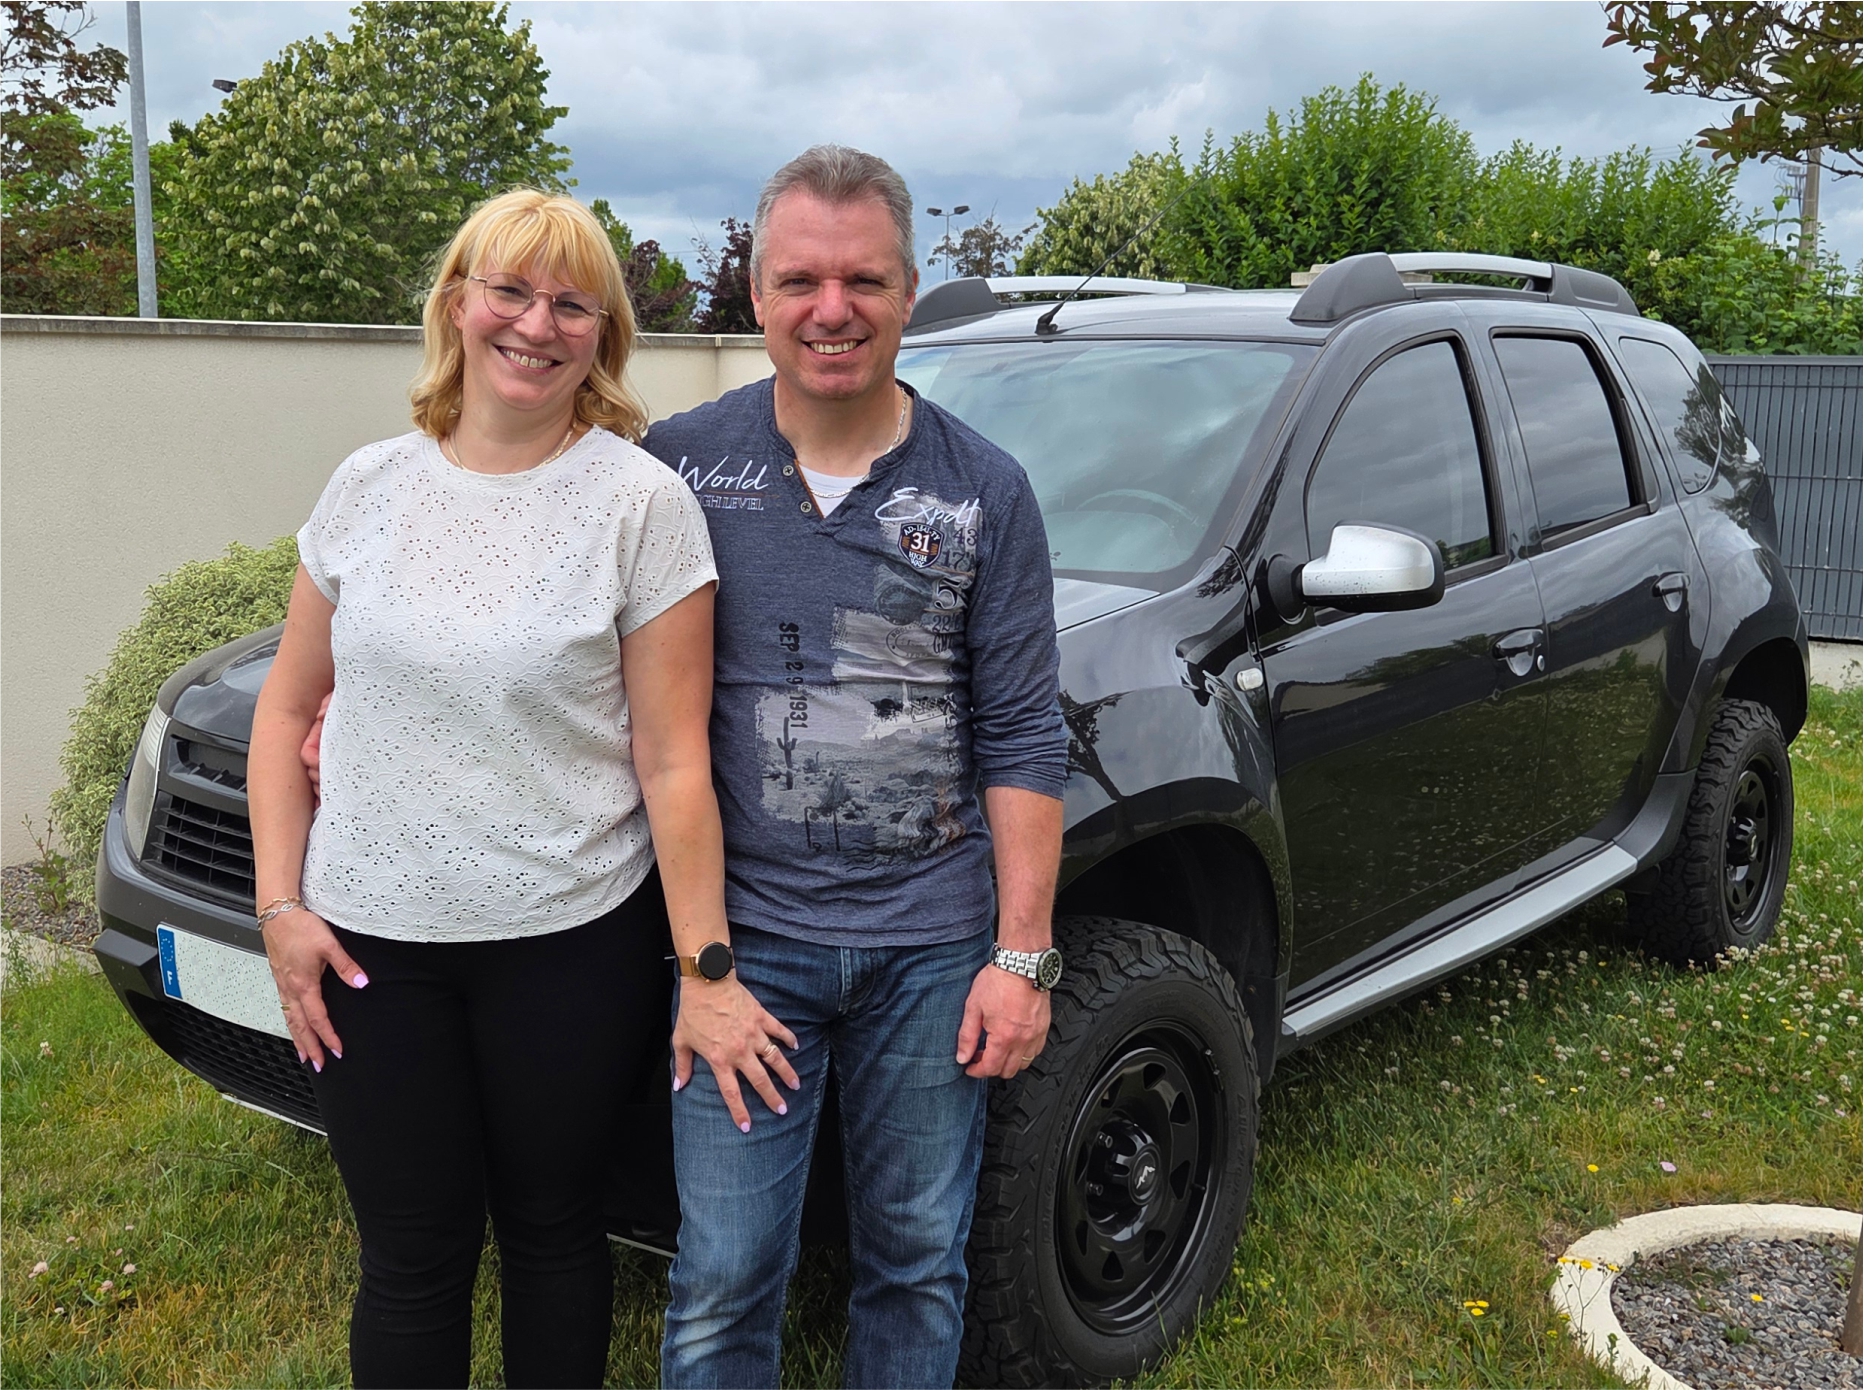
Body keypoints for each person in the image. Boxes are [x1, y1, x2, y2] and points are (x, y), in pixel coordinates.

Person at [247, 188, 791, 1389]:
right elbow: (286, 711)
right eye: (510, 290)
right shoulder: (366, 486)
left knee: (552, 1231)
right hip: (370, 950)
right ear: (457, 303)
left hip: (567, 944)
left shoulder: (640, 504)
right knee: (410, 1257)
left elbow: (672, 761)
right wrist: (280, 906)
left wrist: (706, 969)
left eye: (571, 305)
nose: (536, 325)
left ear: (603, 336)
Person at [641, 145, 1068, 1389]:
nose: (832, 309)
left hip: (931, 952)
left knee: (918, 1262)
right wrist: (351, 689)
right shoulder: (677, 467)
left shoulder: (986, 491)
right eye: (801, 280)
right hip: (745, 946)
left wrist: (1021, 958)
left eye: (864, 280)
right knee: (723, 1276)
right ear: (757, 294)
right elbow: (563, 627)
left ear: (909, 290)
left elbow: (1021, 729)